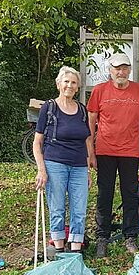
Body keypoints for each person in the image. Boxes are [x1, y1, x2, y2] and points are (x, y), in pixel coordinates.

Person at [87, 53, 139, 257]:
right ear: (110, 70)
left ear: (129, 70)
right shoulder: (99, 91)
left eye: (125, 68)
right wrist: (90, 152)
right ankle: (102, 237)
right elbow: (90, 121)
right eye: (117, 68)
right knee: (104, 194)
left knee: (131, 194)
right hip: (105, 150)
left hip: (130, 151)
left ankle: (130, 235)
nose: (121, 72)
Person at [33, 66, 94, 254]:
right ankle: (59, 250)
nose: (70, 85)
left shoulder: (82, 110)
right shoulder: (49, 108)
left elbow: (86, 140)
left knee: (79, 210)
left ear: (77, 87)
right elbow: (37, 142)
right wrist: (42, 170)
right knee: (57, 209)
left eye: (73, 82)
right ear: (59, 84)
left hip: (79, 167)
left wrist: (88, 170)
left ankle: (75, 252)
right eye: (66, 81)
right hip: (55, 164)